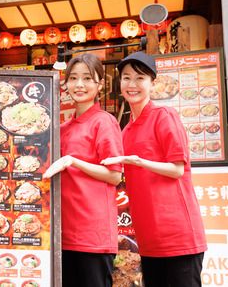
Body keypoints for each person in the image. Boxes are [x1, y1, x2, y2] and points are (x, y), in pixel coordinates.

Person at [102, 51, 207, 287]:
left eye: (140, 78)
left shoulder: (164, 116)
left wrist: (138, 161)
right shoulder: (125, 131)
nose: (133, 84)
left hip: (178, 237)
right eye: (127, 78)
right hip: (148, 241)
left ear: (153, 84)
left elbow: (177, 169)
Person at [43, 53, 123, 287]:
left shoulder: (104, 121)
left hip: (92, 236)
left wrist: (73, 161)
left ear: (100, 85)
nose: (79, 84)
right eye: (74, 78)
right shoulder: (63, 127)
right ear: (65, 83)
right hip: (62, 234)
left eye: (88, 78)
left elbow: (115, 175)